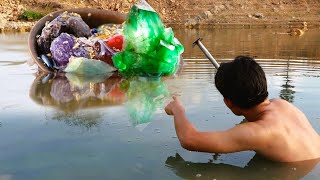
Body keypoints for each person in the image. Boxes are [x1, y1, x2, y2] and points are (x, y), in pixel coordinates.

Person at [165, 56, 320, 162]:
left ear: (228, 102)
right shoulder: (281, 104)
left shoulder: (257, 132)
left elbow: (189, 140)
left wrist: (178, 109)